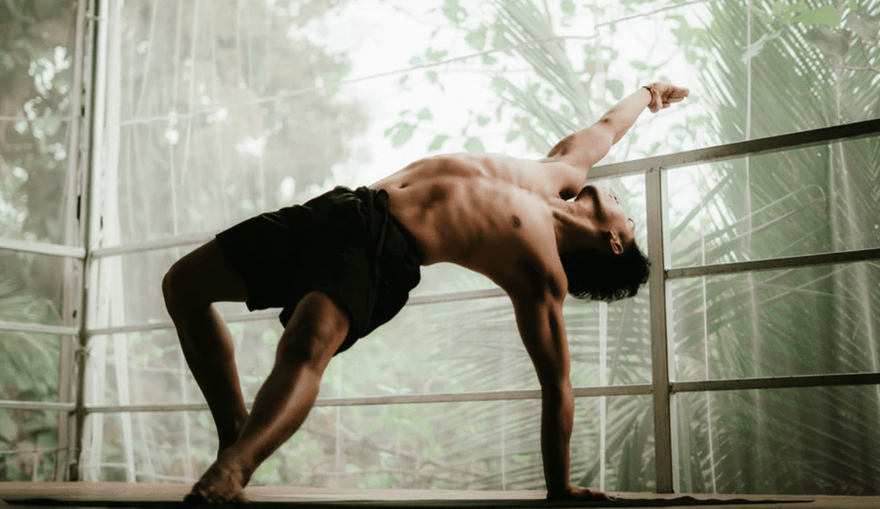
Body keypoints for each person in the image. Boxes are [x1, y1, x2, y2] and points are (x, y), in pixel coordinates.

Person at [162, 81, 689, 504]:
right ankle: (234, 430)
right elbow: (607, 127)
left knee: (307, 343)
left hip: (386, 249)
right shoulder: (562, 170)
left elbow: (559, 386)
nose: (623, 199)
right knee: (183, 285)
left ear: (615, 243)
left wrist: (560, 486)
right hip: (345, 209)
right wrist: (648, 95)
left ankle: (235, 467)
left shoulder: (542, 274)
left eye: (632, 219)